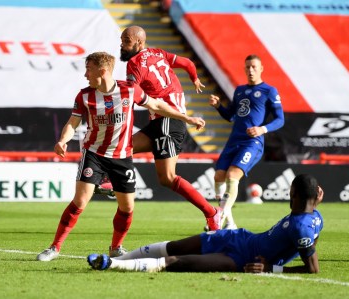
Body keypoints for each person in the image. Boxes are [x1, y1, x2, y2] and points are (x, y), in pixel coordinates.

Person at [36, 52, 206, 261]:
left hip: (122, 156)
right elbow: (73, 123)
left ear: (102, 70)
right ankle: (54, 247)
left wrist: (186, 118)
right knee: (80, 201)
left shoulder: (129, 90)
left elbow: (156, 105)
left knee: (127, 207)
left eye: (88, 69)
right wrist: (63, 140)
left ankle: (116, 247)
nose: (85, 74)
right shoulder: (85, 96)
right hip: (94, 154)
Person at [97, 25, 222, 230]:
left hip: (169, 121)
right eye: (121, 39)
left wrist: (111, 92)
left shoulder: (134, 63)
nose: (122, 43)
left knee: (167, 178)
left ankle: (212, 213)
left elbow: (133, 92)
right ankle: (108, 180)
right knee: (123, 146)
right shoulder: (159, 53)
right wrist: (195, 79)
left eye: (126, 40)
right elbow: (188, 63)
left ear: (139, 42)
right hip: (160, 120)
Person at [87, 173, 323, 274]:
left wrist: (272, 269)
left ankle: (112, 265)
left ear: (297, 196)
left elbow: (313, 269)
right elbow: (310, 233)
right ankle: (117, 259)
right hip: (239, 238)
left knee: (176, 261)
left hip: (240, 260)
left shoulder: (302, 227)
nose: (289, 197)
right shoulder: (314, 216)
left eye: (291, 194)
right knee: (175, 246)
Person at [208, 54, 285, 229]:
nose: (250, 70)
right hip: (234, 140)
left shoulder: (269, 91)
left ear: (261, 69)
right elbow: (230, 116)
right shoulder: (239, 90)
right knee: (219, 176)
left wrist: (262, 129)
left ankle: (218, 218)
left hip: (253, 141)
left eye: (254, 67)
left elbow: (280, 119)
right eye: (248, 67)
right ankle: (230, 222)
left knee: (232, 175)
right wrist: (219, 106)